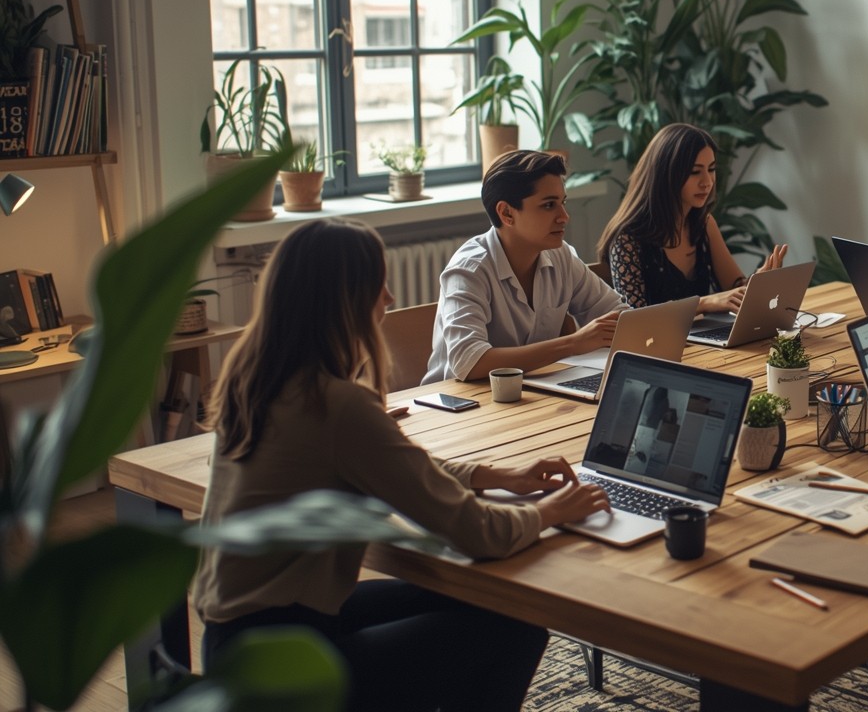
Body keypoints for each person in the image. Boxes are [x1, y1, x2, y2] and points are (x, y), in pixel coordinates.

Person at [193, 219, 611, 712]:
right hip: (286, 672)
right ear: (344, 301)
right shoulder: (337, 404)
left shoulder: (259, 384)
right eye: (379, 285)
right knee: (514, 625)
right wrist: (552, 511)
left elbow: (392, 466)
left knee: (484, 602)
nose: (389, 299)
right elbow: (478, 533)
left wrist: (493, 475)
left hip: (238, 640)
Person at [425, 150, 627, 383]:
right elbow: (467, 361)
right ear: (507, 213)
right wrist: (573, 343)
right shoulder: (469, 270)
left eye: (562, 202)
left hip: (531, 390)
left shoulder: (561, 256)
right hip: (461, 399)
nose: (564, 216)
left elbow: (619, 316)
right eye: (549, 205)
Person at [597, 124, 786, 315]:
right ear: (666, 173)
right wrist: (701, 303)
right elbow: (633, 318)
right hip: (657, 337)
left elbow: (734, 287)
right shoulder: (627, 239)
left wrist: (759, 283)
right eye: (695, 172)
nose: (707, 182)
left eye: (711, 169)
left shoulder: (704, 223)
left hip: (704, 334)